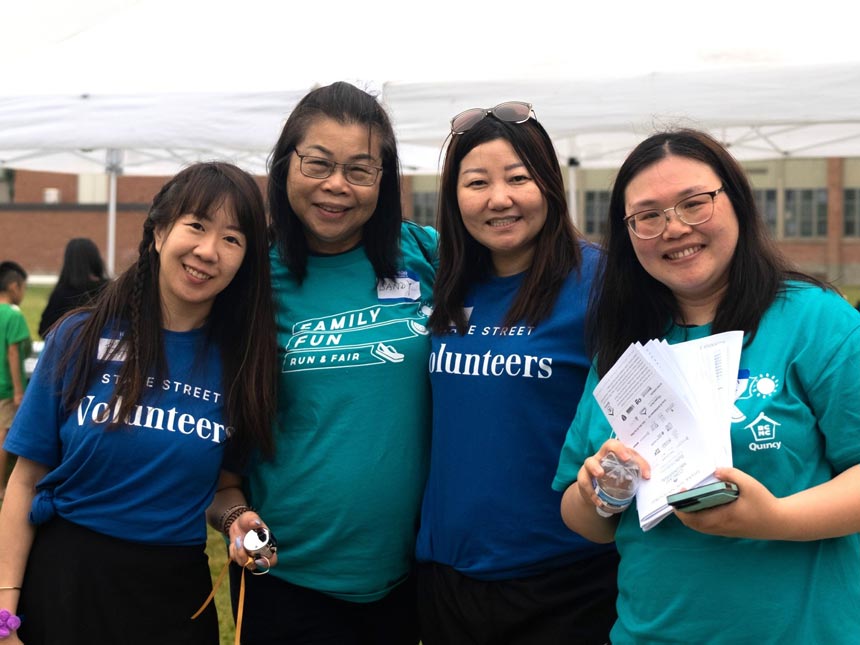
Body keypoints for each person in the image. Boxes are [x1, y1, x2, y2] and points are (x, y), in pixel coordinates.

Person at [553, 129, 860, 644]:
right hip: (648, 632)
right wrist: (598, 494)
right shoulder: (626, 346)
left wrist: (774, 518)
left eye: (694, 204)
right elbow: (585, 519)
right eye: (647, 216)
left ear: (736, 201)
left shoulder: (815, 321)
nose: (673, 228)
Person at [0, 162, 277, 645]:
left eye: (232, 239)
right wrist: (5, 616)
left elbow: (223, 487)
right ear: (159, 231)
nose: (208, 251)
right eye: (196, 225)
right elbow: (25, 480)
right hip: (66, 586)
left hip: (172, 598)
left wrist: (238, 520)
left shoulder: (243, 362)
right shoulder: (80, 337)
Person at [205, 81, 436, 644]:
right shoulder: (248, 278)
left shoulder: (427, 255)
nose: (337, 185)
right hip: (287, 586)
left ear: (384, 181)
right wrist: (236, 519)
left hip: (409, 582)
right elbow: (222, 472)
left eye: (360, 169)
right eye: (318, 163)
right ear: (286, 166)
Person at [413, 101, 617, 645]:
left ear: (549, 183)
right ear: (454, 197)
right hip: (447, 578)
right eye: (476, 182)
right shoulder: (446, 286)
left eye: (518, 178)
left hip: (565, 579)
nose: (498, 199)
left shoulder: (600, 283)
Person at [0, 261, 31, 501]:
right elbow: (13, 352)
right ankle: (1, 486)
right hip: (6, 388)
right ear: (13, 287)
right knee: (3, 435)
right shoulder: (13, 316)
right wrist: (19, 390)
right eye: (23, 288)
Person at [38, 237, 109, 338]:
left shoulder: (61, 294)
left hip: (69, 350)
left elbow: (44, 330)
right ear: (95, 259)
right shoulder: (109, 290)